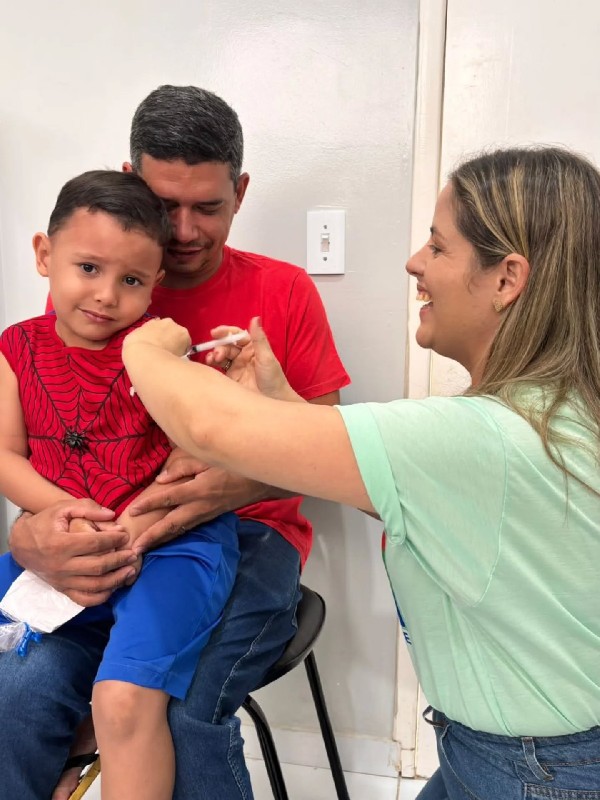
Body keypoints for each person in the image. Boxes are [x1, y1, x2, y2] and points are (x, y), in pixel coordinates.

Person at [122, 146, 600, 799]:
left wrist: (144, 347)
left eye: (438, 246)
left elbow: (209, 427)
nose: (415, 263)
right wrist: (281, 399)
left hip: (534, 773)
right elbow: (396, 485)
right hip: (519, 751)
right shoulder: (551, 417)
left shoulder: (479, 439)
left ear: (507, 279)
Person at [1, 86, 350, 800]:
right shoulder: (93, 282)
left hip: (248, 536)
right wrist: (32, 532)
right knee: (19, 687)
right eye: (167, 206)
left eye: (209, 207)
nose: (186, 231)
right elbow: (57, 441)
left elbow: (336, 450)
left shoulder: (284, 292)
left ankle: (103, 735)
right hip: (115, 528)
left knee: (185, 709)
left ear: (240, 192)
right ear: (131, 180)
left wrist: (231, 480)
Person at [0, 169, 239, 800]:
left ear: (156, 281)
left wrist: (209, 375)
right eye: (88, 268)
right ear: (44, 255)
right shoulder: (16, 348)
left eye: (131, 280)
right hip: (67, 538)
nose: (106, 295)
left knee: (123, 698)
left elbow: (196, 458)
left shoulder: (156, 352)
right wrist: (69, 513)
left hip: (170, 546)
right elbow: (5, 454)